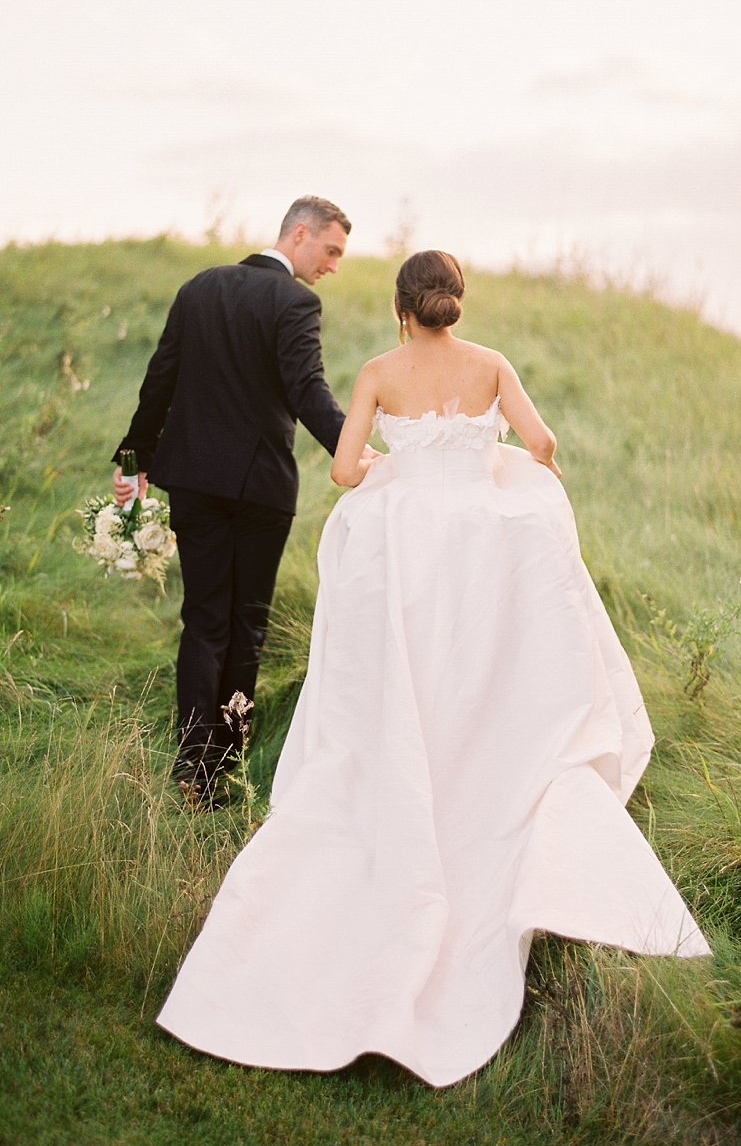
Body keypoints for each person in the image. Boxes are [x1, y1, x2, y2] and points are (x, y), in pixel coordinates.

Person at [157, 249, 711, 1086]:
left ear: (399, 306)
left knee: (409, 679)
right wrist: (502, 465)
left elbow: (345, 471)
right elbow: (542, 439)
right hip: (481, 549)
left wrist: (397, 466)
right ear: (455, 302)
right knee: (476, 677)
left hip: (409, 548)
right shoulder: (492, 365)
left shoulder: (380, 370)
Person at [112, 195, 372, 797]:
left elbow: (161, 378)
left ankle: (192, 767)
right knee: (246, 624)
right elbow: (307, 390)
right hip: (259, 489)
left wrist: (134, 461)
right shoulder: (296, 301)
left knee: (203, 618)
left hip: (196, 483)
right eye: (331, 250)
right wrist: (352, 452)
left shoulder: (199, 287)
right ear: (300, 233)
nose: (333, 264)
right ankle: (224, 762)